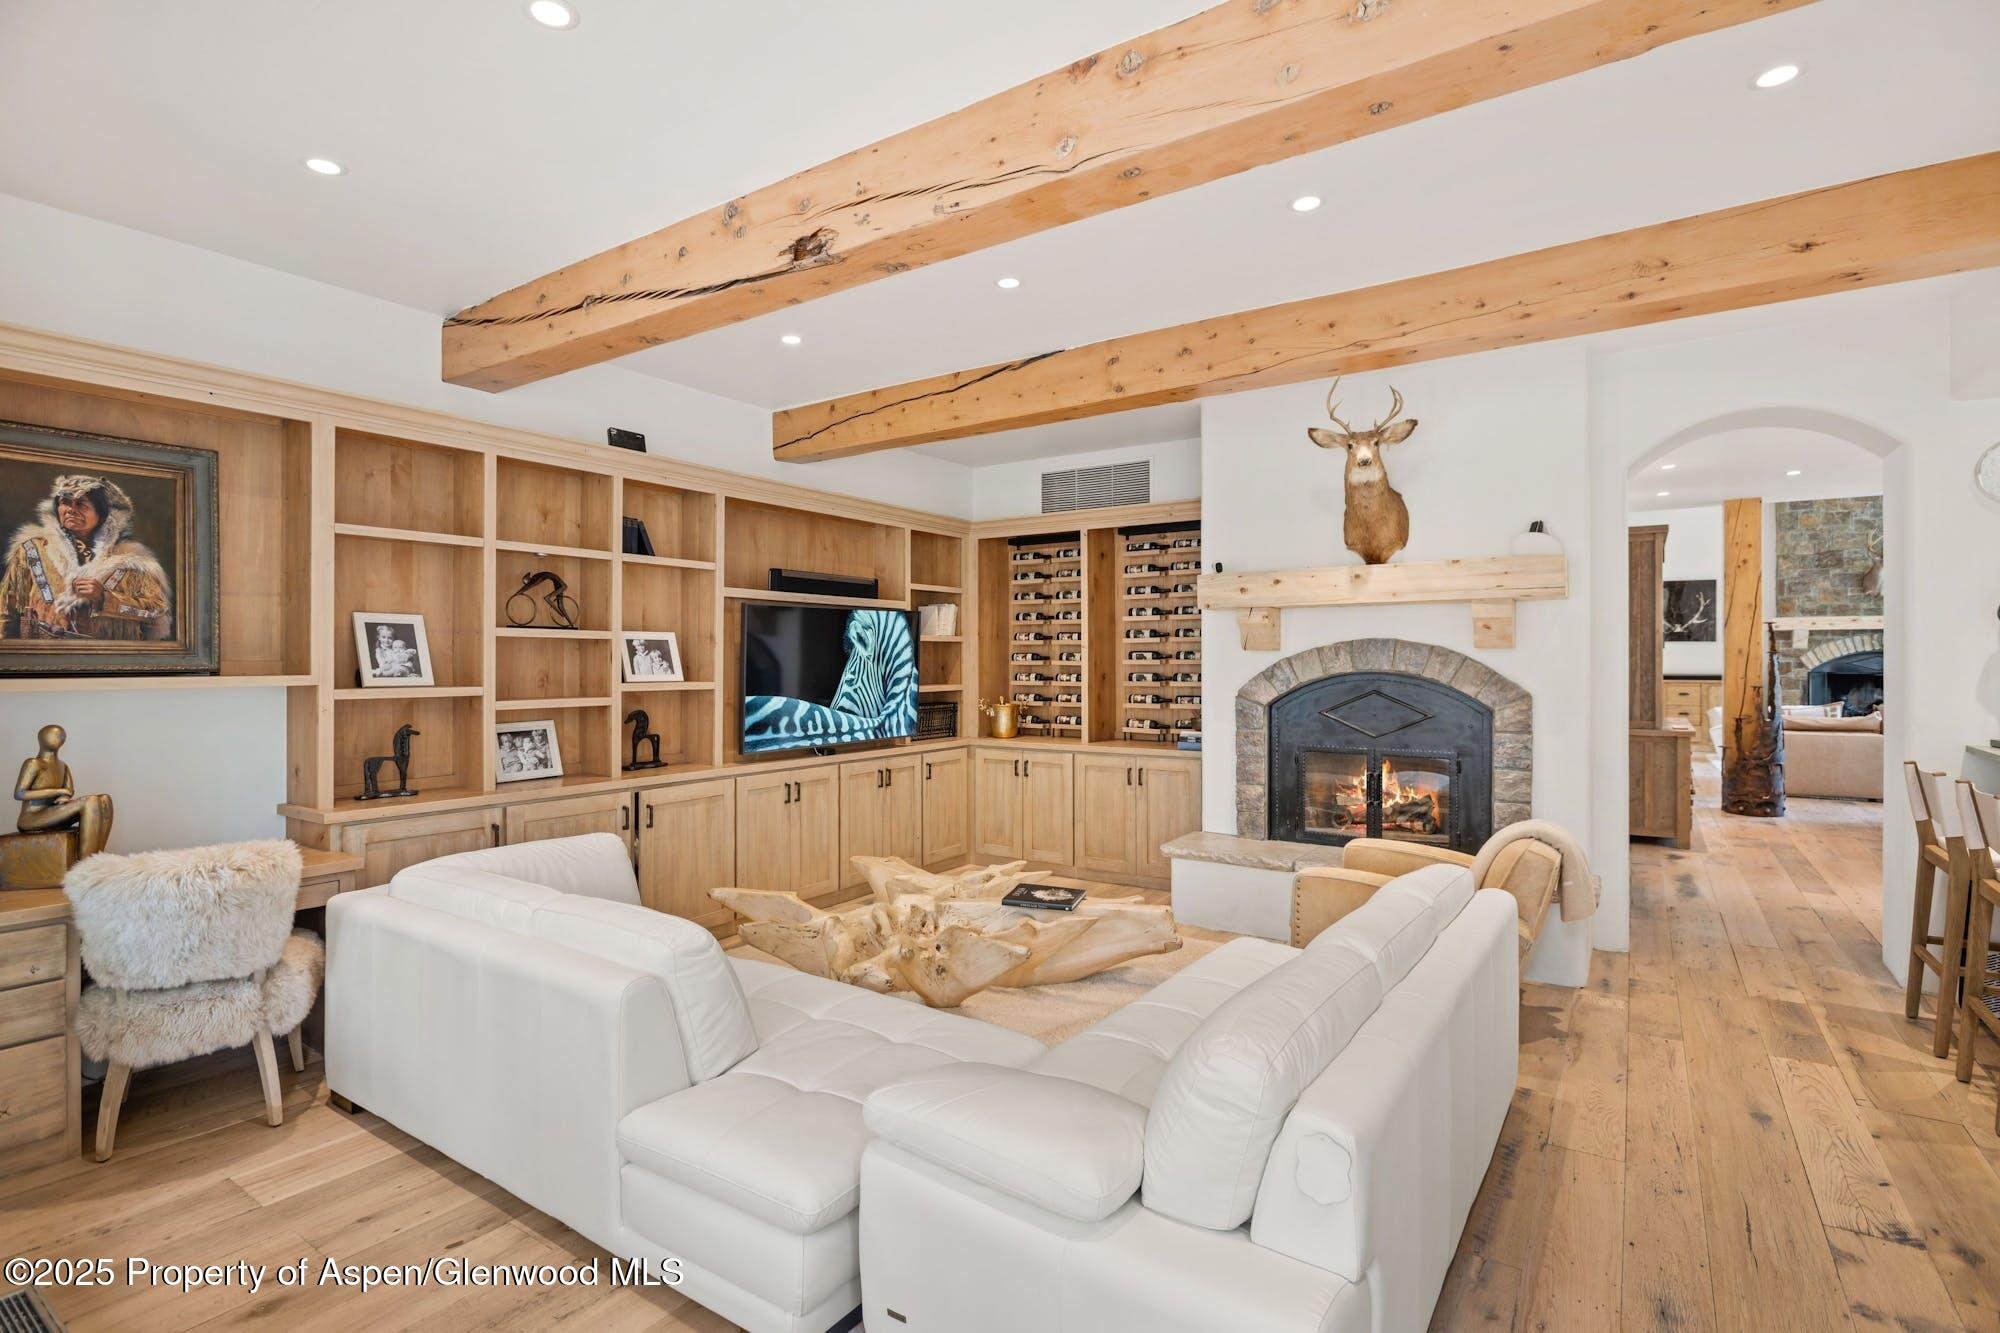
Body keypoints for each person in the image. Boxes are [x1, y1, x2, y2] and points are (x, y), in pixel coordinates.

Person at [2, 474, 172, 641]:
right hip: (44, 655)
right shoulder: (32, 551)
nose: (70, 509)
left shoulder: (132, 561)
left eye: (81, 504)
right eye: (64, 502)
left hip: (106, 656)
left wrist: (104, 598)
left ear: (104, 515)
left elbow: (156, 611)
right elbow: (5, 612)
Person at [14, 723, 112, 858]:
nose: (59, 737)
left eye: (61, 735)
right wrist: (57, 791)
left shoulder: (62, 766)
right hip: (32, 817)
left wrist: (65, 797)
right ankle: (85, 862)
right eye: (54, 734)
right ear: (42, 738)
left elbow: (69, 790)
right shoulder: (33, 763)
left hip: (54, 812)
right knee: (91, 801)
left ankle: (96, 857)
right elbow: (19, 793)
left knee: (104, 800)